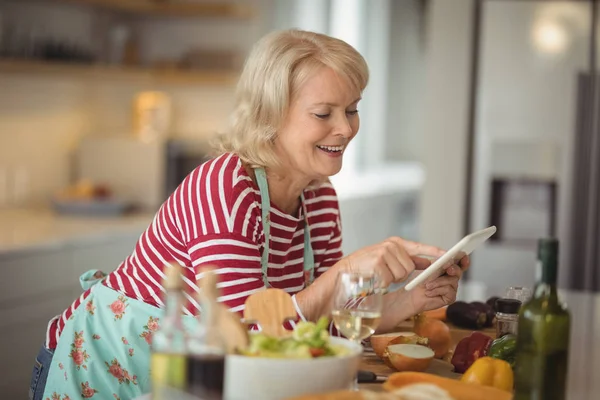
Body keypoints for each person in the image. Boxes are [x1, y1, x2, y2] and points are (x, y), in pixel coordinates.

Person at [29, 29, 468, 400]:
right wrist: (346, 271)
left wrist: (407, 300)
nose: (346, 128)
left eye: (352, 109)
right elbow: (248, 345)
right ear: (271, 114)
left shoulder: (318, 195)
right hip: (106, 372)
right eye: (324, 113)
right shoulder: (226, 189)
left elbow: (316, 330)